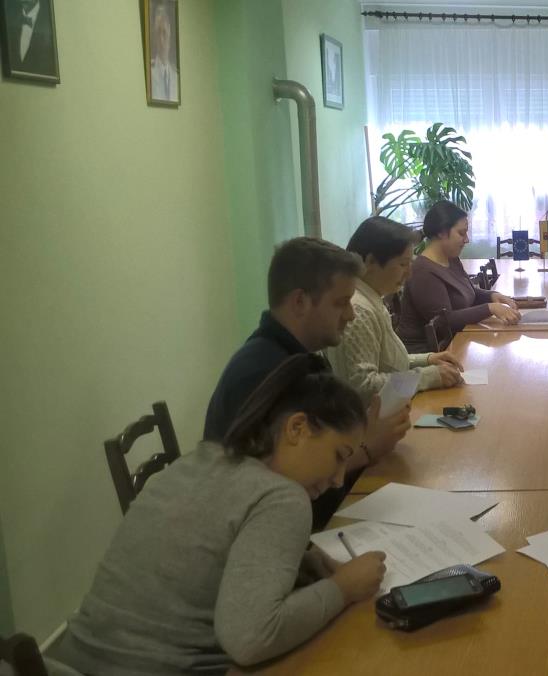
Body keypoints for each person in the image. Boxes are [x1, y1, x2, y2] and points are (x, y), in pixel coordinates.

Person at [48, 355, 389, 675]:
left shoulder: (205, 459)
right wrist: (343, 588)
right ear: (297, 428)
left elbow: (208, 551)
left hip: (73, 660)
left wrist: (301, 562)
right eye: (339, 455)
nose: (339, 479)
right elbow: (251, 639)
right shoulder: (284, 498)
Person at [205, 237, 411, 530]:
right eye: (341, 303)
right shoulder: (264, 373)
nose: (351, 315)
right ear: (300, 302)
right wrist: (367, 447)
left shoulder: (298, 356)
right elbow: (269, 489)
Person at [326, 216, 465, 396]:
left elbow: (386, 363)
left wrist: (427, 359)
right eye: (403, 264)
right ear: (370, 262)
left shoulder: (371, 298)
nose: (409, 273)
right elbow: (363, 387)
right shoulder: (358, 310)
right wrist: (426, 377)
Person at [394, 201, 522, 352]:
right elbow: (444, 321)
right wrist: (490, 308)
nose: (467, 239)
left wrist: (493, 296)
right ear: (442, 232)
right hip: (429, 354)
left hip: (456, 341)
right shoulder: (423, 271)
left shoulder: (451, 258)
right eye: (461, 233)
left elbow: (468, 292)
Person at [148, 0, 178, 102]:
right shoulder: (150, 73)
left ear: (170, 33)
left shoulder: (176, 76)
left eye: (164, 32)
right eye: (158, 33)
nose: (161, 40)